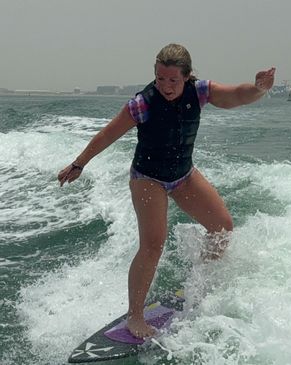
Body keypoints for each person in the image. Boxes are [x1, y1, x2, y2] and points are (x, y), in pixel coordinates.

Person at [58, 43, 275, 339]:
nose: (166, 86)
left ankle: (198, 282)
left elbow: (237, 95)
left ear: (186, 77)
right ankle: (135, 316)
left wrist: (259, 88)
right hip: (148, 177)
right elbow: (108, 133)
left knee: (222, 226)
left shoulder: (200, 91)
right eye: (160, 79)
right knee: (153, 244)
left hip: (183, 175)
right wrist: (79, 164)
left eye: (173, 80)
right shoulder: (142, 103)